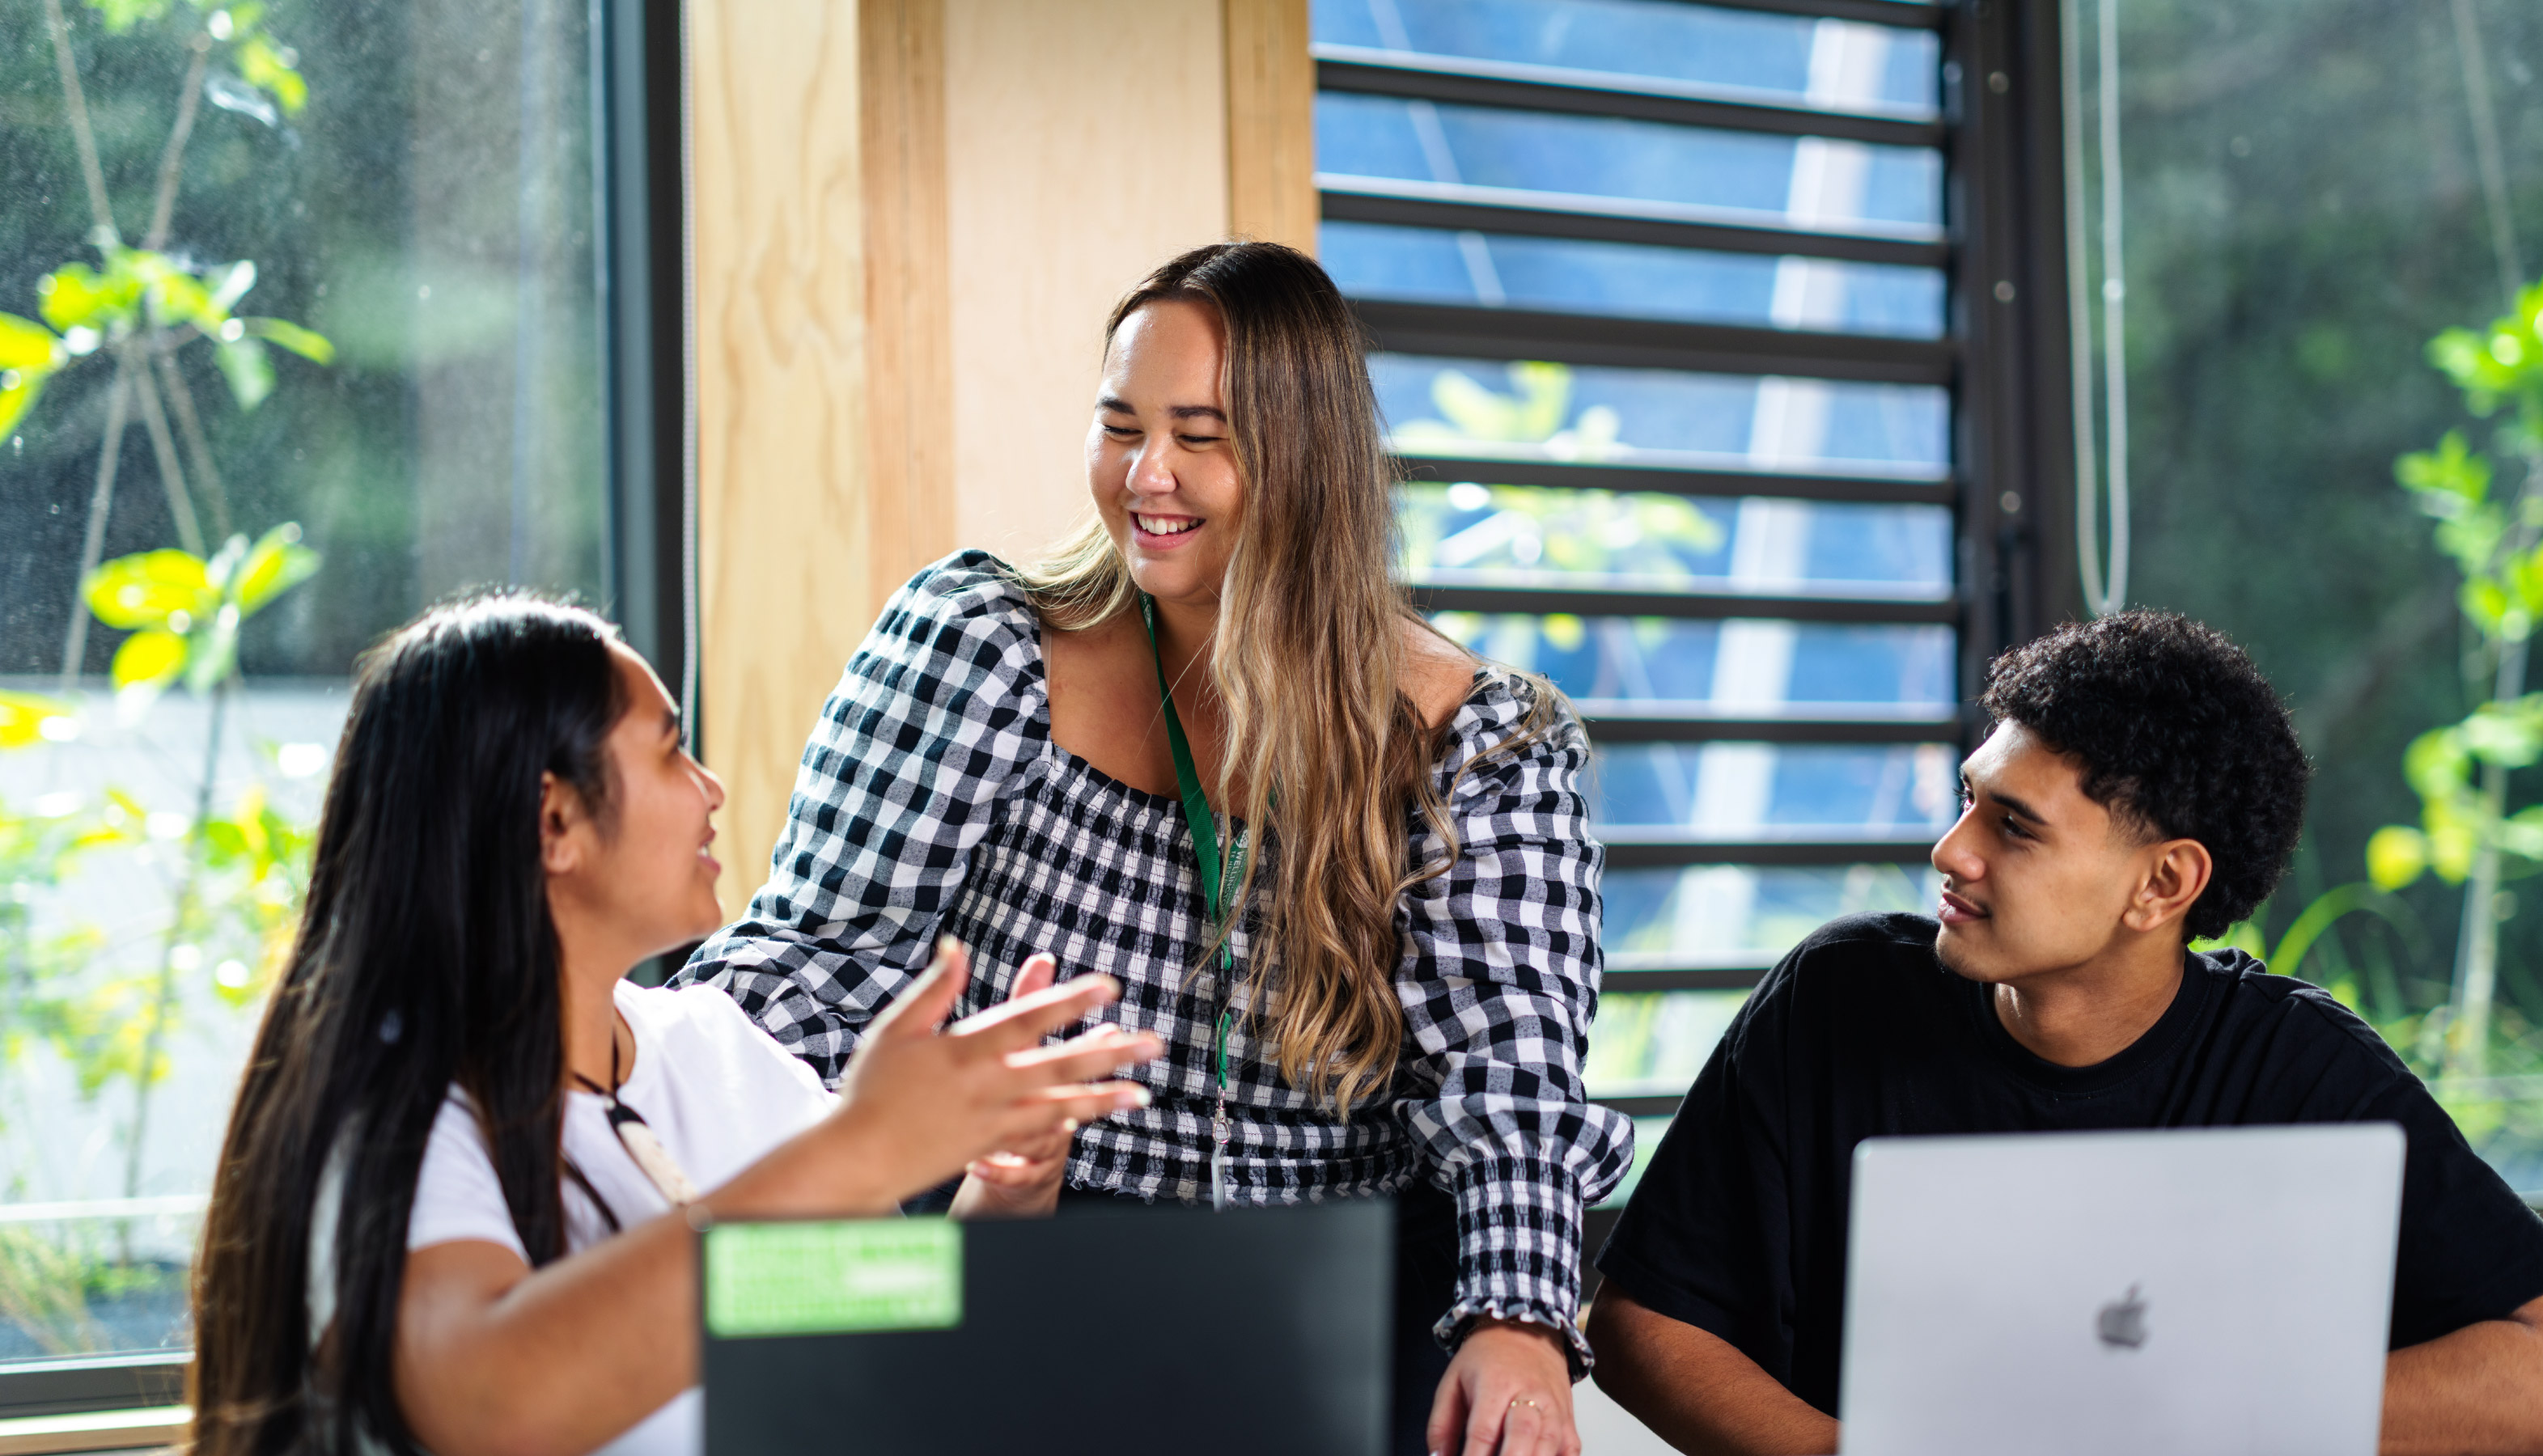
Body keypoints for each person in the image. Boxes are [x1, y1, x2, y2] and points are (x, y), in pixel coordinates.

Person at [676, 240, 1630, 1456]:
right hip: (1014, 1249)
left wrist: (1519, 1322)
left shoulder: (1478, 742)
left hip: (1323, 1300)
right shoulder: (977, 649)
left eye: (1200, 434)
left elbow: (1510, 1085)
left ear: (1307, 459)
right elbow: (816, 968)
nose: (1148, 475)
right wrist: (638, 1110)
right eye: (1119, 425)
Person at [1587, 610, 2543, 1456]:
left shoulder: (2298, 1068)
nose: (1950, 850)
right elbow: (1642, 1323)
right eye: (1968, 800)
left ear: (2161, 885)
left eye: (2012, 827)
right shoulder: (1835, 998)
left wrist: (2200, 1421)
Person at [189, 595, 1163, 1456]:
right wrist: (868, 1143)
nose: (710, 789)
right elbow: (495, 1410)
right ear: (553, 824)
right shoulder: (398, 1116)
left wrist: (1006, 1189)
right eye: (668, 751)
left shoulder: (714, 1049)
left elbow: (897, 1319)